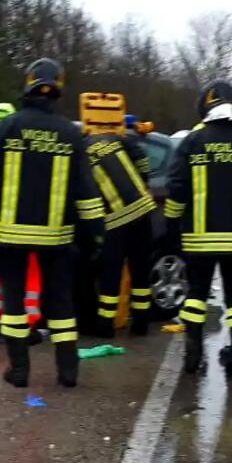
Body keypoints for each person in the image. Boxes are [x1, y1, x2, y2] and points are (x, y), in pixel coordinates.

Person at [0, 58, 105, 388]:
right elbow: (87, 192)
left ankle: (20, 370)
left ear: (28, 85)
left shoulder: (7, 127)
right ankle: (68, 372)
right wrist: (96, 235)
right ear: (58, 90)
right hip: (56, 237)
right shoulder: (70, 133)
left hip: (8, 236)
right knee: (62, 302)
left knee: (13, 303)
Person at [163, 80, 232, 377]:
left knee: (196, 295)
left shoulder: (192, 142)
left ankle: (192, 357)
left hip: (198, 240)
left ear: (206, 105)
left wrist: (171, 227)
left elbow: (176, 188)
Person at [81, 101, 157, 338]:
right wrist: (143, 182)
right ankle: (141, 322)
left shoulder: (81, 153)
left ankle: (105, 325)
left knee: (111, 272)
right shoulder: (116, 139)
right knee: (140, 268)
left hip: (116, 218)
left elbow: (85, 191)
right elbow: (142, 159)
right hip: (143, 210)